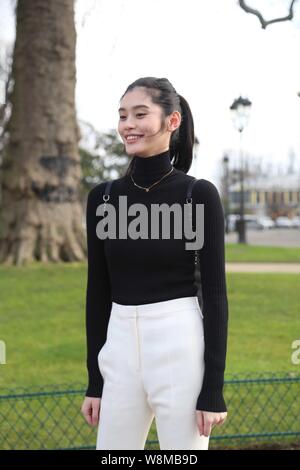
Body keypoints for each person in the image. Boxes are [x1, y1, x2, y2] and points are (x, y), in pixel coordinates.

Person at [81, 77, 228, 450]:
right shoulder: (104, 199)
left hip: (179, 346)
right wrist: (95, 382)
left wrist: (212, 389)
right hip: (118, 350)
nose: (128, 125)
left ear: (172, 121)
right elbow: (97, 292)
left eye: (140, 114)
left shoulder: (198, 195)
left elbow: (214, 295)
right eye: (123, 115)